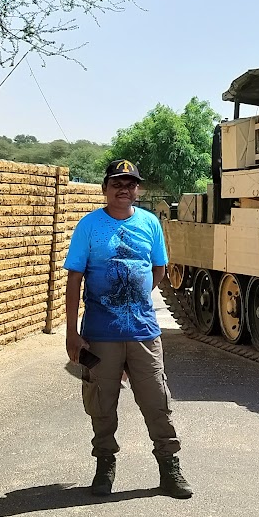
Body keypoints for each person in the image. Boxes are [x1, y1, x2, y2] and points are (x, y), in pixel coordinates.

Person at [62, 159, 193, 499]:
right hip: (99, 335)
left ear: (138, 189)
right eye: (117, 183)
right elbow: (74, 278)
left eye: (130, 183)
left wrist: (133, 300)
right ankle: (104, 465)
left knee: (157, 401)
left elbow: (158, 269)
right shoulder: (89, 226)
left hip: (143, 333)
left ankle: (169, 467)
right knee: (101, 403)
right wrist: (72, 332)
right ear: (105, 188)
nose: (124, 189)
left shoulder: (150, 223)